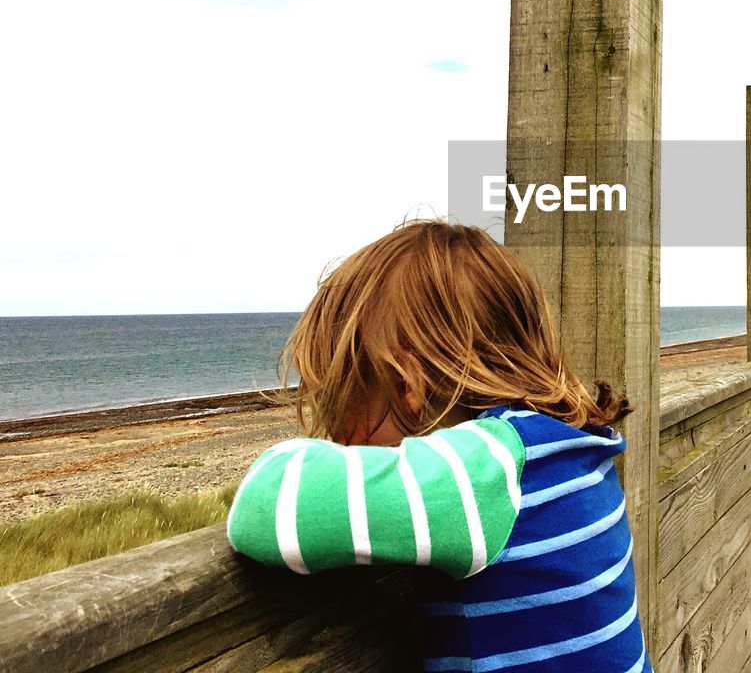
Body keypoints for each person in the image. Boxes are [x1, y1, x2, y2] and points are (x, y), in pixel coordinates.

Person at [225, 219, 651, 673]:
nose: (338, 440)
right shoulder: (569, 446)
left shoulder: (479, 470)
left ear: (407, 386)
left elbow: (263, 506)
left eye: (341, 407)